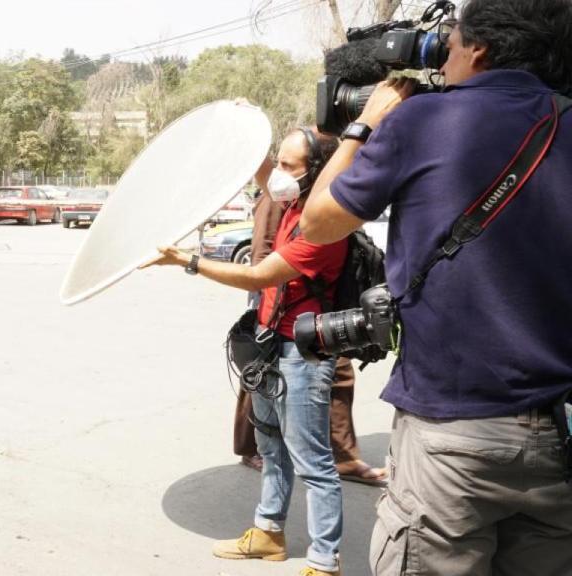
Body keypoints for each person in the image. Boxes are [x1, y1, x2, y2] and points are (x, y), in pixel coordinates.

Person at [301, 1, 572, 573]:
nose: (442, 61)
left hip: (451, 435)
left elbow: (318, 222)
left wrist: (364, 122)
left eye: (448, 46)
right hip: (558, 438)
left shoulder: (423, 120)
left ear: (479, 48)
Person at [148, 126, 347, 576]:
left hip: (303, 352)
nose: (277, 173)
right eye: (278, 161)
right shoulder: (293, 202)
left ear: (314, 173)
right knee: (270, 444)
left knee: (312, 460)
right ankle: (268, 534)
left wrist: (190, 262)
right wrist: (239, 127)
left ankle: (324, 560)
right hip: (268, 344)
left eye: (288, 166)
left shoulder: (325, 223)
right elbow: (261, 171)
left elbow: (260, 276)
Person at [236, 189, 386, 485]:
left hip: (322, 303)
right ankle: (252, 447)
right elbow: (263, 252)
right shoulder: (280, 194)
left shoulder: (325, 193)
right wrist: (267, 295)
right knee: (262, 378)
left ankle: (343, 456)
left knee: (340, 374)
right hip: (279, 301)